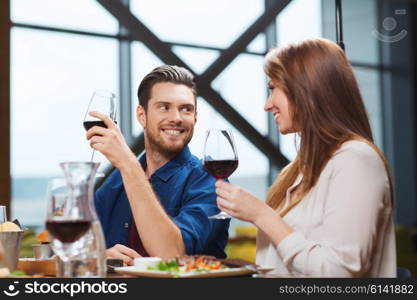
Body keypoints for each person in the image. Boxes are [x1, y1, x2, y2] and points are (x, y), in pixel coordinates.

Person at [215, 38, 396, 277]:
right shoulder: (297, 170)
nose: (267, 105)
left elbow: (338, 272)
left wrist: (261, 214)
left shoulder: (356, 160)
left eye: (273, 88)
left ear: (304, 89)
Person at [87, 65, 230, 265]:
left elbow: (171, 255)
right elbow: (76, 250)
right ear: (141, 115)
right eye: (164, 107)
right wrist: (100, 257)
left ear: (195, 117)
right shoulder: (115, 182)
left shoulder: (210, 181)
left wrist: (128, 164)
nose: (176, 118)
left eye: (186, 109)